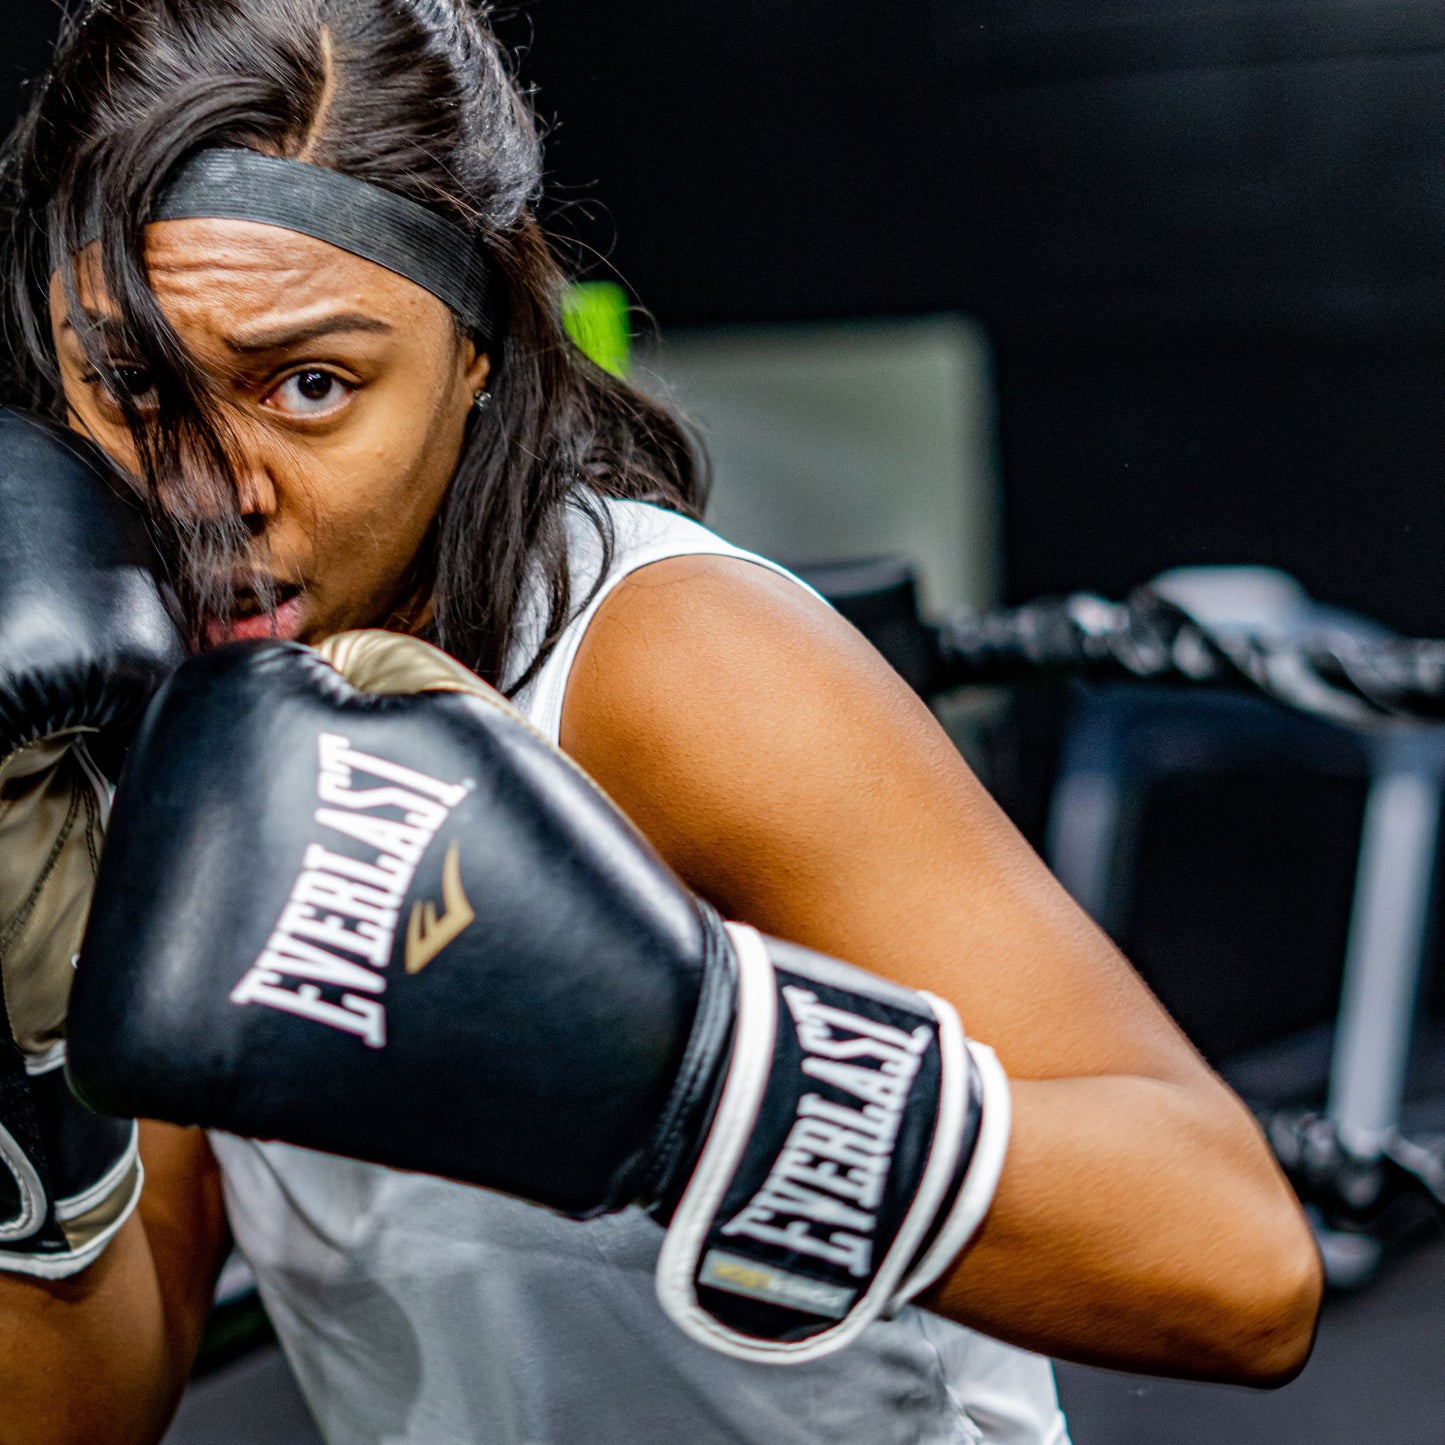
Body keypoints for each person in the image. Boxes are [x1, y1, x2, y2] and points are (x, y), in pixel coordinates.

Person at [0, 2, 1321, 1443]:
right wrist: (31, 1074)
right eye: (134, 389)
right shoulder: (155, 698)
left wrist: (693, 1071)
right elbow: (86, 1409)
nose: (211, 494)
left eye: (311, 385)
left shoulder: (667, 662)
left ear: (481, 346)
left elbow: (1238, 1267)